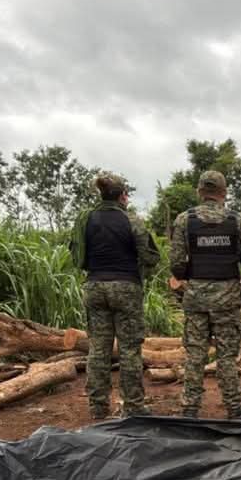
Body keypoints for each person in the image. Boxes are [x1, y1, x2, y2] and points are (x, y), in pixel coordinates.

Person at [71, 173, 161, 420]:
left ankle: (98, 407)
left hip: (95, 285)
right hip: (126, 287)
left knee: (98, 348)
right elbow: (152, 257)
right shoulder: (133, 221)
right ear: (123, 196)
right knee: (130, 349)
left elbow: (76, 255)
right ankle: (133, 406)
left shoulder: (85, 219)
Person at [169, 170, 241, 419]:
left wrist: (192, 275)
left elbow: (175, 263)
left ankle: (190, 408)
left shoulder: (185, 220)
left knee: (195, 353)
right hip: (227, 297)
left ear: (199, 192)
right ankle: (235, 409)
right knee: (227, 355)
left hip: (195, 297)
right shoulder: (238, 220)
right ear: (223, 193)